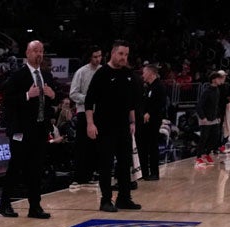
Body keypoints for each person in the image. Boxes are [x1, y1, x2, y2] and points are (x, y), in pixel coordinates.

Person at [0, 40, 55, 219]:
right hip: (21, 129)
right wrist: (27, 95)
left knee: (36, 169)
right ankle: (4, 204)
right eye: (35, 50)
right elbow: (6, 100)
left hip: (39, 129)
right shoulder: (18, 75)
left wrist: (53, 96)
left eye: (41, 51)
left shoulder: (46, 75)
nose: (39, 54)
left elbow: (50, 103)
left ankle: (34, 206)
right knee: (16, 166)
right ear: (27, 53)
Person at [85, 40, 140, 213]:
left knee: (125, 163)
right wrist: (90, 124)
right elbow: (89, 101)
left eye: (126, 54)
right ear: (113, 53)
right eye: (121, 54)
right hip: (105, 127)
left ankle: (124, 198)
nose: (124, 57)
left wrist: (133, 122)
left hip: (124, 126)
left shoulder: (128, 74)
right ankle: (105, 200)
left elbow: (130, 101)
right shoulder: (102, 73)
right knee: (106, 164)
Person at [68, 47, 103, 186]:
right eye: (95, 56)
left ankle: (90, 174)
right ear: (90, 57)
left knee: (96, 145)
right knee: (82, 145)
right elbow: (73, 93)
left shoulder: (103, 71)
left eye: (99, 56)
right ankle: (78, 176)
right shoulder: (81, 72)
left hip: (99, 113)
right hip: (83, 112)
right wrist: (89, 99)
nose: (98, 59)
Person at [138, 62, 165, 181]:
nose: (143, 74)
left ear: (151, 73)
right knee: (142, 146)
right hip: (144, 121)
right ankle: (143, 172)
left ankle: (154, 172)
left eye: (144, 72)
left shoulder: (159, 86)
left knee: (152, 146)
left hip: (153, 121)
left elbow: (160, 104)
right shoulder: (147, 86)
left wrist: (150, 112)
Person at [196, 71, 224, 166]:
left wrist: (218, 116)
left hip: (214, 117)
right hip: (205, 118)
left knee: (215, 137)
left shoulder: (217, 90)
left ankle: (207, 153)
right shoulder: (207, 91)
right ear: (214, 80)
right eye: (219, 78)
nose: (221, 80)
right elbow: (199, 105)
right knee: (204, 138)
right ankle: (199, 156)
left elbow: (216, 105)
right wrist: (203, 117)